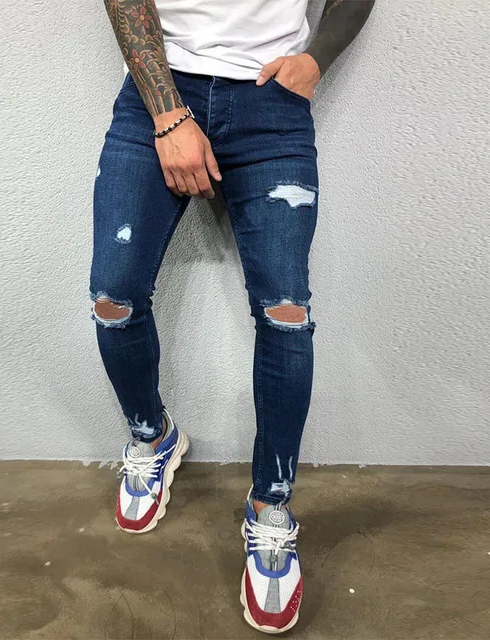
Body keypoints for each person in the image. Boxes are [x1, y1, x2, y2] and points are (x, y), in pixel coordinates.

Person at [91, 0, 375, 633]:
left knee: (285, 314)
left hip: (269, 104)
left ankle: (271, 507)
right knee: (114, 299)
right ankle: (152, 435)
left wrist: (315, 60)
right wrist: (169, 115)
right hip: (157, 96)